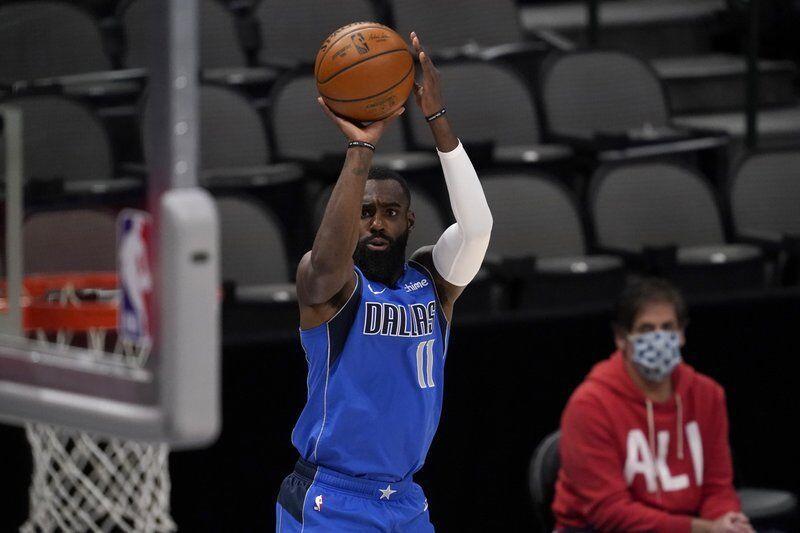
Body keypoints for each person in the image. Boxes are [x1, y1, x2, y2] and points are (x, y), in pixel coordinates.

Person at [275, 32, 492, 532]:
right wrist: (360, 148)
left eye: (390, 213)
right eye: (366, 212)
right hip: (331, 498)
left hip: (406, 499)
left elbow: (477, 229)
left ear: (409, 223)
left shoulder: (432, 283)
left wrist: (437, 119)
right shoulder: (330, 288)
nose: (376, 223)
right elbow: (328, 266)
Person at [552, 277, 754, 533]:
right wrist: (702, 529)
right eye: (646, 329)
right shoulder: (589, 406)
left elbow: (717, 488)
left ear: (681, 334)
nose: (659, 339)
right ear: (621, 338)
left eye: (668, 327)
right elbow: (610, 513)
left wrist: (725, 521)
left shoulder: (707, 395)